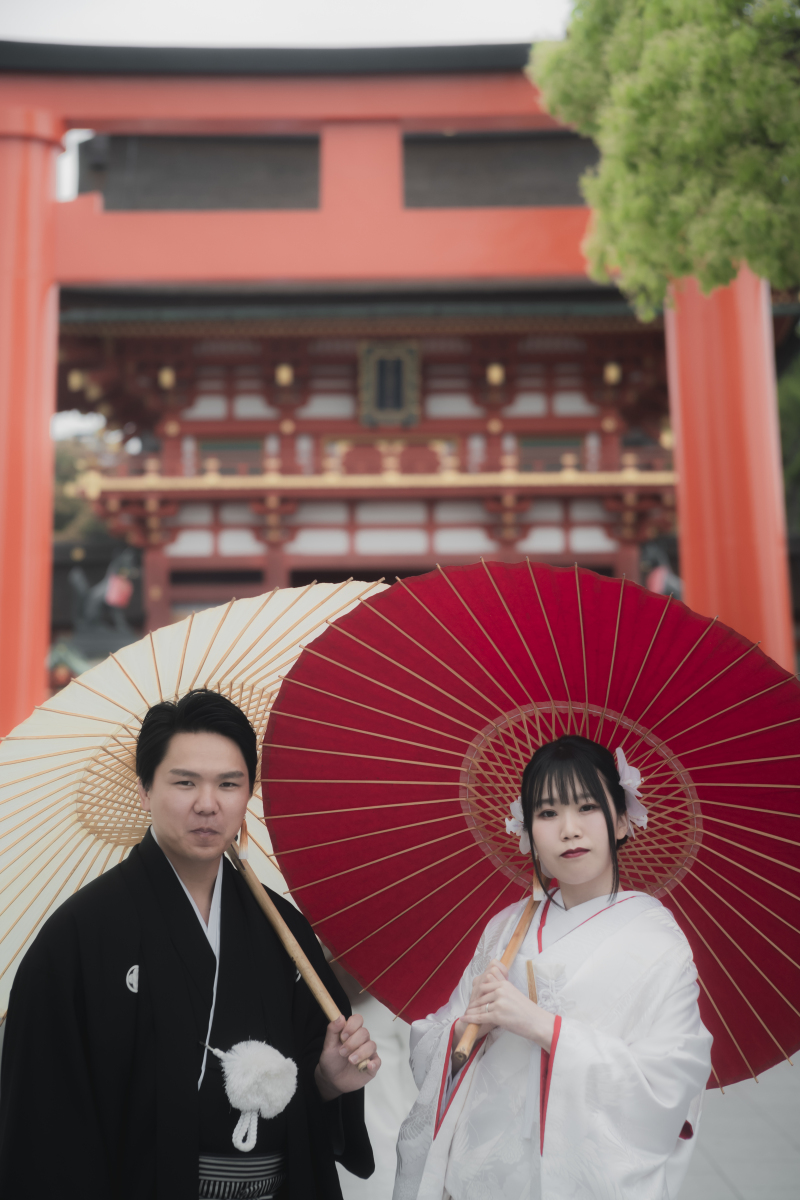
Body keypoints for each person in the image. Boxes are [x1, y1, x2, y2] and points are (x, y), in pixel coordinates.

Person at [0, 688, 379, 1199]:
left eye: (229, 783)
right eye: (184, 782)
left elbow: (309, 1092)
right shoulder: (80, 937)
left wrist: (329, 1080)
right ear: (144, 789)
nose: (208, 804)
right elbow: (45, 1120)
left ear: (249, 792)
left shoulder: (282, 929)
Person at [394, 735, 713, 1200]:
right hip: (478, 1176)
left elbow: (666, 1087)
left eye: (586, 807)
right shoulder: (505, 931)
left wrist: (542, 1026)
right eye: (547, 813)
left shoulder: (658, 944)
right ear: (527, 830)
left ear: (622, 820)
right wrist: (467, 1028)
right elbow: (436, 1048)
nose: (569, 829)